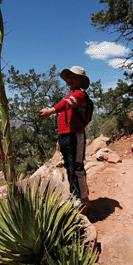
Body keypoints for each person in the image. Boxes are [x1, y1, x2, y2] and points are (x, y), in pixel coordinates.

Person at [38, 66, 90, 214]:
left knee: (76, 167)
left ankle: (83, 199)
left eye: (73, 77)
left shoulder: (79, 95)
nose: (69, 80)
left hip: (75, 135)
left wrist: (50, 111)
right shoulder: (69, 95)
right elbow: (64, 115)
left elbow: (67, 105)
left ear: (81, 80)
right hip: (66, 136)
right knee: (69, 167)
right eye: (68, 77)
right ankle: (75, 196)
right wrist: (59, 140)